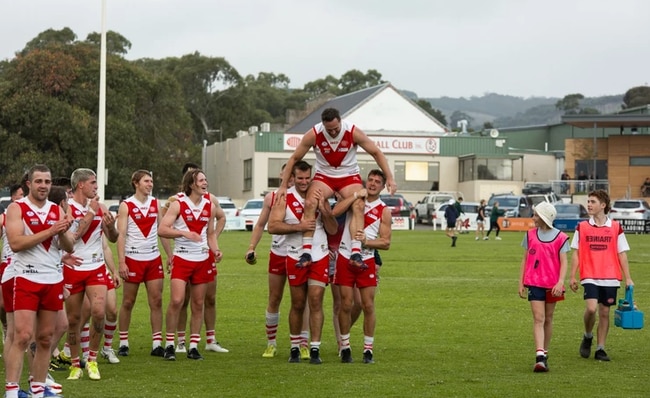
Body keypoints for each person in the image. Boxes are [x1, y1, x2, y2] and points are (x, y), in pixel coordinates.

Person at [278, 107, 396, 270]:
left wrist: (389, 177)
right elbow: (294, 158)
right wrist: (283, 186)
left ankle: (355, 252)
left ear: (341, 121)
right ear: (323, 125)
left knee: (359, 203)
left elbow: (376, 152)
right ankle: (306, 252)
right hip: (325, 176)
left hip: (348, 175)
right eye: (329, 130)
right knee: (311, 202)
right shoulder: (314, 134)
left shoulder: (352, 131)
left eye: (336, 129)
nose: (333, 133)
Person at [4, 164, 74, 398]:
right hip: (26, 277)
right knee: (22, 336)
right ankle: (12, 391)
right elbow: (16, 243)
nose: (43, 186)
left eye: (47, 182)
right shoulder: (17, 208)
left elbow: (69, 245)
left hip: (52, 280)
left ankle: (37, 389)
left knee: (45, 338)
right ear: (29, 184)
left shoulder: (56, 209)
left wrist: (63, 231)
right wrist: (52, 230)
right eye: (39, 181)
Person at [268, 161, 338, 364]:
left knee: (316, 300)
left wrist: (325, 211)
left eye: (308, 178)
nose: (304, 182)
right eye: (300, 178)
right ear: (293, 178)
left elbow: (333, 230)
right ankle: (295, 347)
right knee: (298, 303)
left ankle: (315, 348)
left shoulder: (319, 194)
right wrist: (298, 227)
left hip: (319, 253)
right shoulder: (284, 197)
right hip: (294, 255)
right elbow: (272, 226)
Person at [244, 166, 311, 360]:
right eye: (288, 175)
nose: (292, 179)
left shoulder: (310, 195)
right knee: (275, 297)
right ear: (281, 176)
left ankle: (303, 344)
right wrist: (251, 247)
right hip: (278, 253)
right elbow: (260, 225)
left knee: (301, 301)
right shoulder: (273, 197)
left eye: (294, 176)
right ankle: (271, 343)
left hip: (299, 254)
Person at [161, 162, 228, 355]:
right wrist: (184, 233)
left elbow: (210, 234)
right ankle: (170, 344)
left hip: (202, 259)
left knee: (198, 303)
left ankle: (193, 346)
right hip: (182, 258)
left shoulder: (210, 205)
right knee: (177, 300)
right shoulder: (178, 203)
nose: (205, 183)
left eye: (206, 180)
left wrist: (215, 250)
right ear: (192, 184)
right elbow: (162, 229)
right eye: (201, 180)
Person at [330, 169, 392, 364]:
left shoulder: (384, 210)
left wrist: (366, 241)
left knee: (368, 305)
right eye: (370, 180)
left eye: (377, 182)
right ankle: (345, 347)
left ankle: (368, 350)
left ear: (382, 187)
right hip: (345, 256)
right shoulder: (356, 200)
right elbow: (335, 212)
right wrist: (355, 195)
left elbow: (386, 242)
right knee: (345, 304)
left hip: (366, 259)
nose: (373, 184)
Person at [64, 168, 119, 381]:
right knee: (74, 319)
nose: (96, 186)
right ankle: (75, 364)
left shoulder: (100, 207)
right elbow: (73, 238)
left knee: (98, 312)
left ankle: (93, 360)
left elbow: (112, 238)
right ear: (80, 185)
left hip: (95, 268)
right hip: (73, 268)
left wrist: (112, 227)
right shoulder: (66, 208)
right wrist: (91, 212)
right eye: (93, 183)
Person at [569, 190, 634, 362]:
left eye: (592, 202)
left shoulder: (615, 227)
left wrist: (628, 278)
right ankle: (588, 335)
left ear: (603, 205)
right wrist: (572, 276)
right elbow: (575, 252)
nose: (589, 204)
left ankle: (600, 349)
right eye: (588, 201)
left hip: (611, 276)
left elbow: (622, 254)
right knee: (591, 309)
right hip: (589, 274)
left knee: (605, 313)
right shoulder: (581, 227)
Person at [115, 170, 165, 358]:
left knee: (157, 300)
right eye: (146, 181)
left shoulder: (155, 203)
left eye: (151, 181)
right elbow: (121, 235)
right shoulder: (126, 205)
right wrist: (121, 262)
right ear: (136, 183)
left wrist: (170, 255)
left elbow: (162, 231)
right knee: (128, 301)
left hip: (153, 258)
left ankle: (157, 343)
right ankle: (124, 342)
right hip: (133, 258)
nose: (150, 184)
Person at [518, 202, 570, 372]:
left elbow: (564, 261)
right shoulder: (530, 235)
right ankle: (539, 356)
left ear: (544, 217)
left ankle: (544, 353)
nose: (533, 218)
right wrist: (521, 282)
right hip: (534, 282)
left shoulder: (561, 237)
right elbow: (525, 260)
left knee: (548, 318)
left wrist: (560, 281)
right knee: (538, 318)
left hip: (553, 285)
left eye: (536, 215)